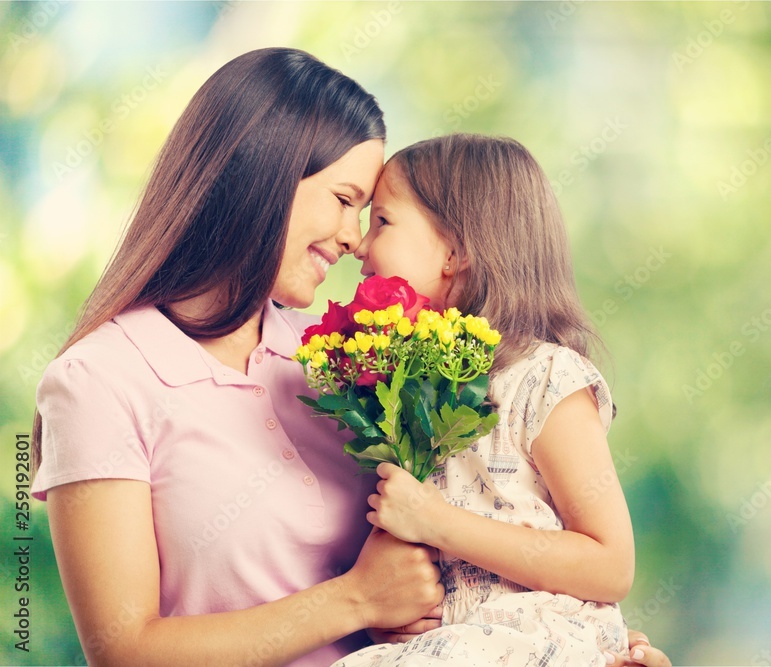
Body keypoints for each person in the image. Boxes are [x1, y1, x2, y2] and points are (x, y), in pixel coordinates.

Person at [30, 47, 444, 666]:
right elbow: (125, 651)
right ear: (266, 174)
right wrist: (354, 601)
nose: (355, 237)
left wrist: (580, 637)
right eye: (344, 199)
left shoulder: (335, 354)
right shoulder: (98, 381)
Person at [334, 133, 670, 667]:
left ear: (455, 253)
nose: (357, 244)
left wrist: (437, 522)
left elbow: (611, 566)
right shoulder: (409, 390)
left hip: (536, 644)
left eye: (383, 222)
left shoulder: (545, 379)